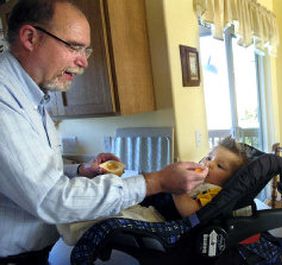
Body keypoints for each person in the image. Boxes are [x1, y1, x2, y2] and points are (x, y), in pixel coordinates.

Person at [0, 1, 207, 263]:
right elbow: (52, 199)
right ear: (31, 37)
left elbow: (29, 172)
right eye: (74, 46)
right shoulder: (4, 101)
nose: (83, 61)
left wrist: (80, 171)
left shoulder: (33, 96)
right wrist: (155, 182)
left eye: (87, 50)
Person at [57, 136, 250, 245]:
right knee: (114, 207)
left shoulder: (214, 191)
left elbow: (191, 212)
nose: (209, 163)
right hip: (151, 208)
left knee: (117, 219)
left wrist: (178, 189)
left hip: (163, 222)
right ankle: (71, 220)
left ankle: (75, 230)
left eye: (220, 166)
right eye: (209, 157)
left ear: (230, 180)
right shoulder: (199, 181)